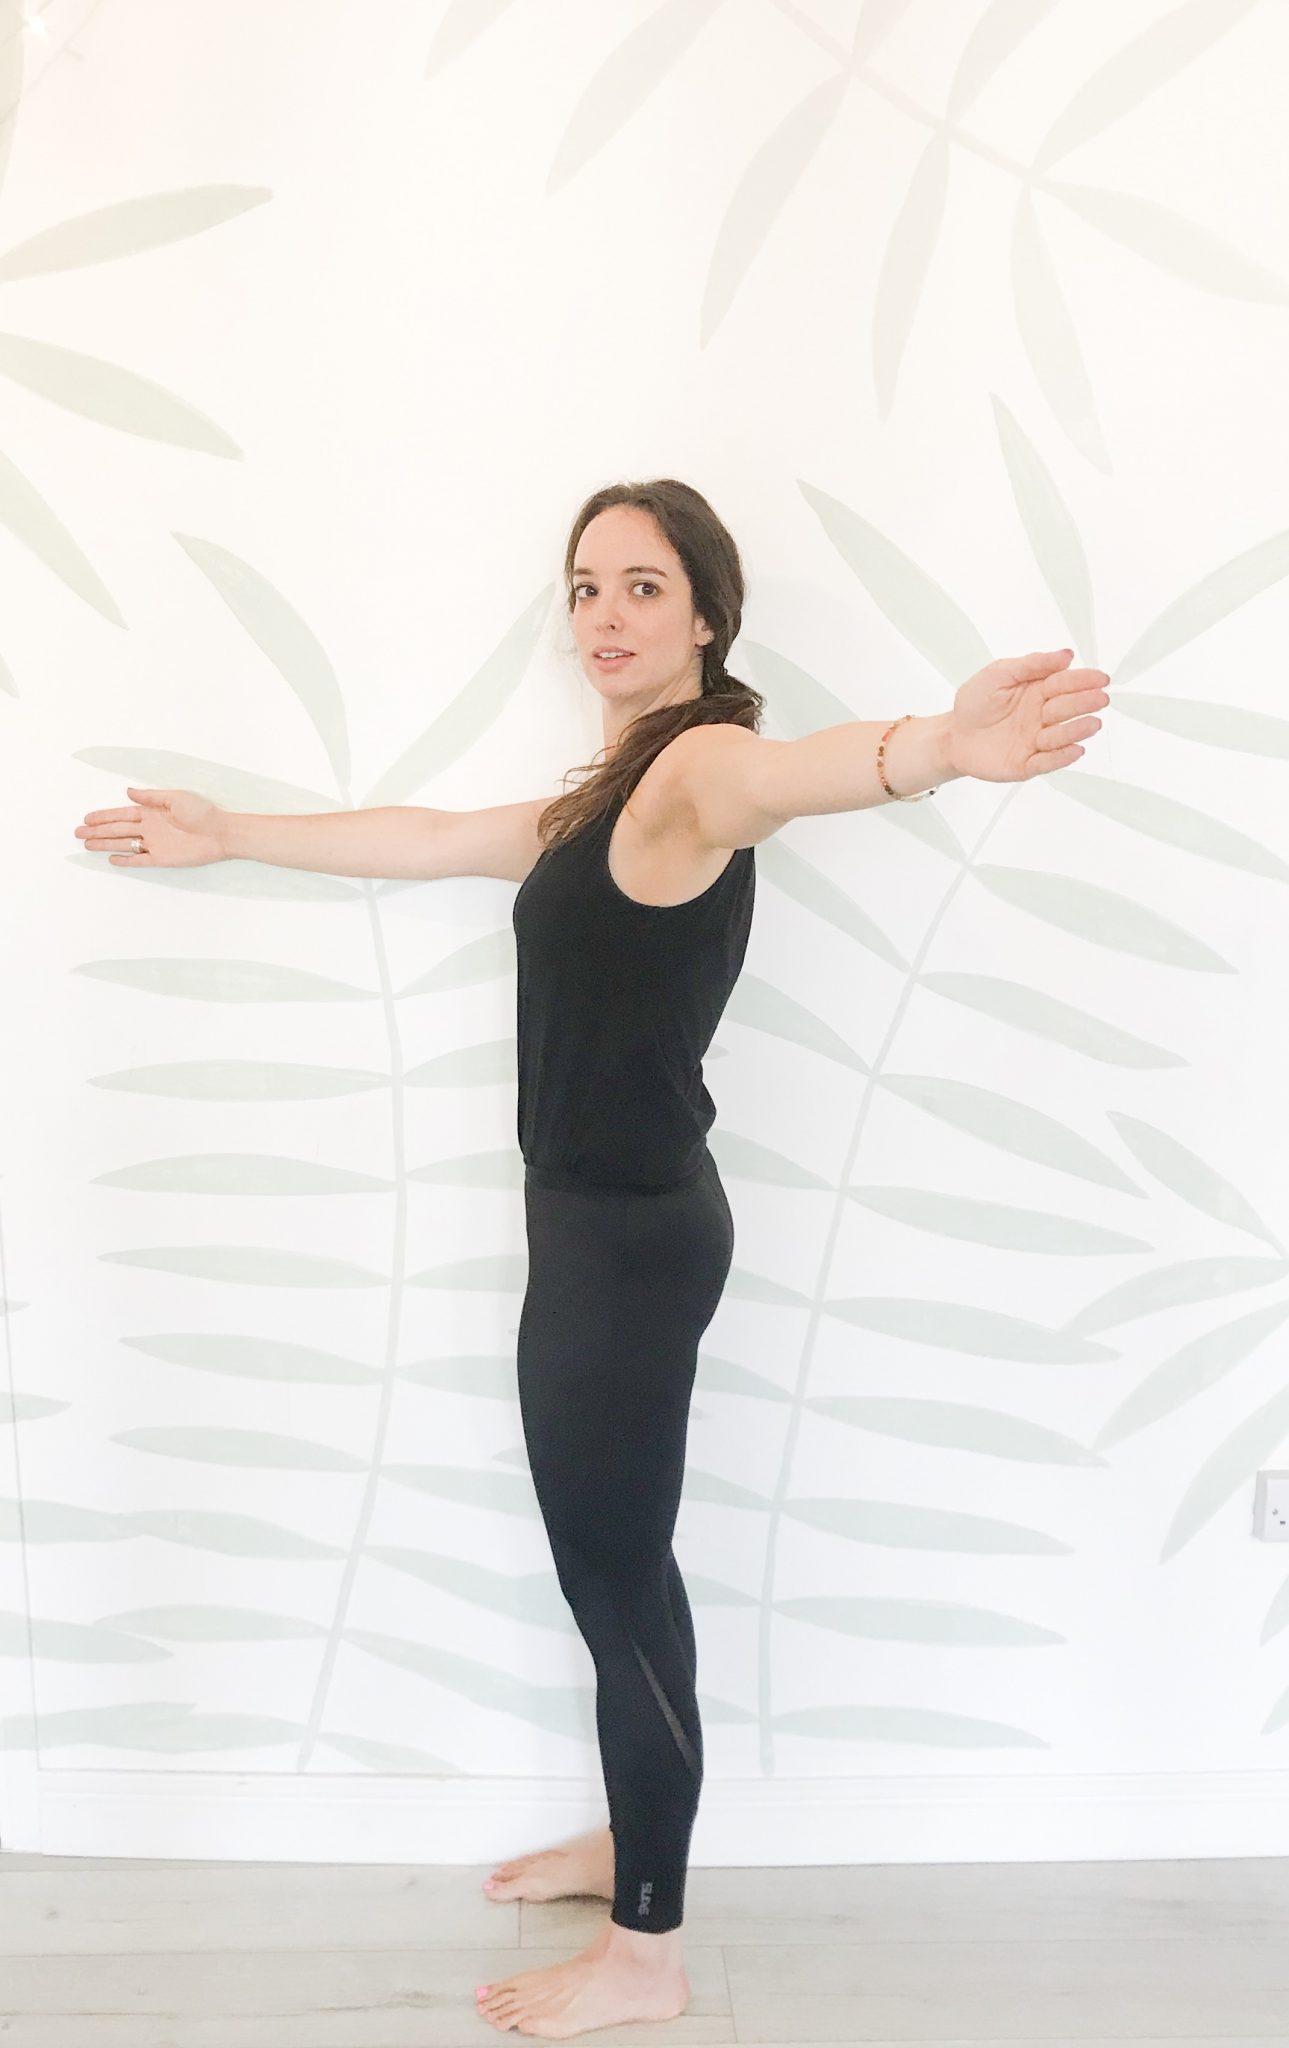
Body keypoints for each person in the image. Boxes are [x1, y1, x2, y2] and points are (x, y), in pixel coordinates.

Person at [74, 478, 1109, 2039]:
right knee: (617, 1567)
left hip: (623, 1243)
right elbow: (439, 837)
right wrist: (233, 836)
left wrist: (936, 749)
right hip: (604, 1226)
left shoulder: (697, 766)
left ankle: (646, 1954)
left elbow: (797, 771)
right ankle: (638, 1841)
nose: (603, 616)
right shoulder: (609, 794)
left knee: (612, 1579)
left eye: (640, 586)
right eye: (582, 587)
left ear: (705, 616)